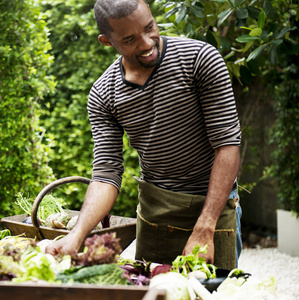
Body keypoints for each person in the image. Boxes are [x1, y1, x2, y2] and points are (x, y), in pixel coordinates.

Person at [46, 0, 242, 270]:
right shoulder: (104, 94)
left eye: (150, 27)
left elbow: (227, 144)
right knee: (152, 288)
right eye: (130, 40)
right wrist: (76, 236)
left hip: (212, 207)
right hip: (155, 212)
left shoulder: (200, 59)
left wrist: (206, 226)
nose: (148, 43)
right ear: (107, 41)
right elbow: (106, 174)